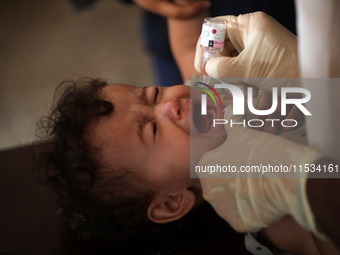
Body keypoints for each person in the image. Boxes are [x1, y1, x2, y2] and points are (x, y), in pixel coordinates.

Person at [193, 9, 340, 247]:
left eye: (155, 94)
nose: (171, 105)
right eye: (152, 129)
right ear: (171, 203)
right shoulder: (278, 229)